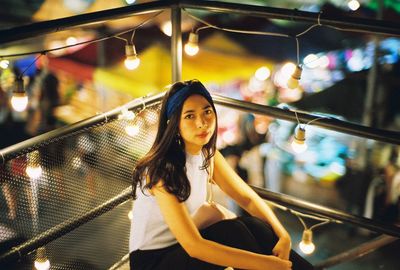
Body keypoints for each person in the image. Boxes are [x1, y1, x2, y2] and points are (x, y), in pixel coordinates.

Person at [130, 80, 313, 270]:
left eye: (207, 112)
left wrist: (283, 236)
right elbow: (194, 247)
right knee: (231, 231)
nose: (202, 123)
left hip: (180, 246)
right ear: (175, 124)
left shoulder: (207, 154)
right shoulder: (161, 170)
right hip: (154, 262)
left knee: (254, 226)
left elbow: (247, 198)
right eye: (190, 116)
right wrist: (266, 264)